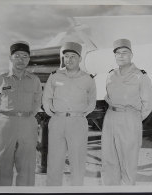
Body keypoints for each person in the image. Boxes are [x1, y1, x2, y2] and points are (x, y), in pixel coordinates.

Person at [101, 38, 152, 185]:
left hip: (129, 119)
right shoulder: (111, 75)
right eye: (117, 53)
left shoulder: (141, 76)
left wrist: (134, 118)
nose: (121, 56)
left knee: (128, 162)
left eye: (125, 52)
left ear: (131, 55)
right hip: (110, 117)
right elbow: (108, 96)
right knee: (108, 161)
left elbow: (149, 103)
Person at [42, 42, 96, 186]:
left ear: (80, 58)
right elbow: (46, 98)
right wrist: (52, 113)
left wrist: (80, 115)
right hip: (57, 121)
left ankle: (77, 189)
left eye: (73, 56)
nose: (69, 59)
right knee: (54, 160)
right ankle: (53, 190)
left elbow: (92, 101)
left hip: (77, 122)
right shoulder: (54, 76)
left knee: (77, 161)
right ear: (63, 58)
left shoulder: (88, 78)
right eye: (66, 56)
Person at [0, 41, 42, 186]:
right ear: (10, 58)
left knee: (27, 164)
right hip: (5, 123)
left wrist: (28, 117)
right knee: (3, 163)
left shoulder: (34, 80)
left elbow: (37, 102)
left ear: (29, 59)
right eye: (17, 56)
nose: (21, 60)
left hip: (28, 122)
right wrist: (0, 120)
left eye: (25, 56)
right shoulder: (0, 79)